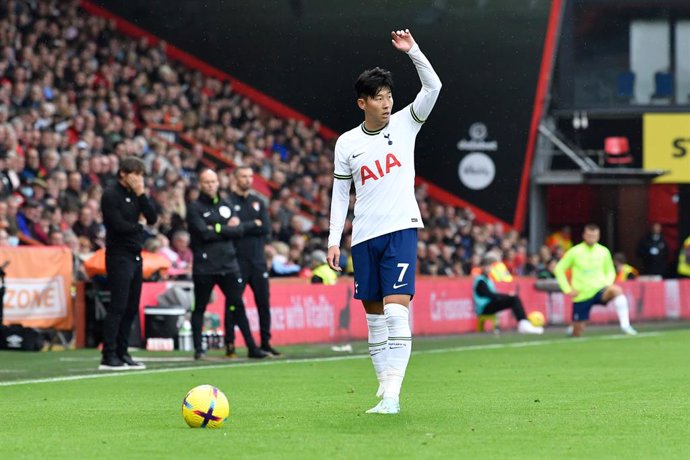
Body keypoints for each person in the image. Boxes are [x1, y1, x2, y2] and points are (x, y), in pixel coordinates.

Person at [327, 29, 442, 415]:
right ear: (363, 103)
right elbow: (341, 194)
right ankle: (384, 387)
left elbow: (434, 86)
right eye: (379, 98)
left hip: (401, 229)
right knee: (375, 319)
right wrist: (332, 240)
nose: (387, 103)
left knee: (396, 311)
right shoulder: (347, 143)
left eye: (390, 96)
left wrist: (414, 52)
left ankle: (393, 395)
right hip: (364, 238)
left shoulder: (406, 123)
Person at [187, 169, 268, 361]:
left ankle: (251, 346)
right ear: (200, 183)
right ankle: (199, 349)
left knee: (237, 305)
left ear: (218, 183)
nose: (211, 185)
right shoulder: (194, 207)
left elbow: (238, 230)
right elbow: (202, 233)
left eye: (213, 181)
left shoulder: (225, 204)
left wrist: (214, 227)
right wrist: (224, 228)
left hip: (228, 263)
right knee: (200, 307)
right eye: (206, 182)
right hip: (205, 265)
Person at [99, 156, 158, 370]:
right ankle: (108, 355)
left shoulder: (136, 195)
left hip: (135, 255)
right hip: (118, 255)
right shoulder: (110, 195)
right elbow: (117, 225)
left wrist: (142, 195)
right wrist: (139, 227)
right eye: (137, 175)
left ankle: (123, 352)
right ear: (123, 173)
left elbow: (152, 218)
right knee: (118, 306)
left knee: (132, 307)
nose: (140, 180)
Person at [229, 166, 280, 356]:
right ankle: (230, 344)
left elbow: (265, 227)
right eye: (244, 176)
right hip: (237, 261)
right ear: (235, 178)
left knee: (263, 303)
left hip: (258, 260)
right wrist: (253, 224)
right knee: (233, 303)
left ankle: (265, 342)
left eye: (250, 176)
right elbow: (233, 230)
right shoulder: (228, 202)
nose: (248, 180)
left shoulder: (258, 201)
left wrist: (244, 226)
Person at [554, 224, 638, 337]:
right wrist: (567, 289)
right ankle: (574, 327)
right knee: (577, 333)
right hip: (581, 294)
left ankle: (625, 326)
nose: (591, 238)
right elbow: (559, 269)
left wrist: (608, 283)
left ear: (598, 237)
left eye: (594, 236)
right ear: (584, 236)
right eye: (589, 235)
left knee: (616, 290)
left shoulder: (603, 251)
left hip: (600, 290)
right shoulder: (575, 252)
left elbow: (610, 271)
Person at [473, 256, 544, 334]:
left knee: (513, 299)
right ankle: (523, 323)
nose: (489, 268)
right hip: (484, 308)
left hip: (488, 305)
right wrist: (507, 296)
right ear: (482, 267)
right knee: (513, 299)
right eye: (486, 266)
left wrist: (506, 297)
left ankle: (524, 322)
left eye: (490, 266)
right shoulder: (480, 281)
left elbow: (493, 295)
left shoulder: (487, 279)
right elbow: (490, 295)